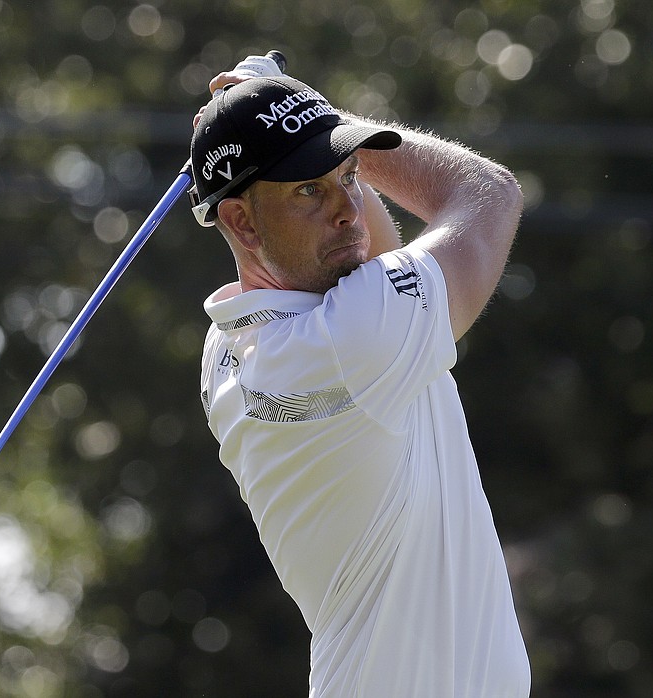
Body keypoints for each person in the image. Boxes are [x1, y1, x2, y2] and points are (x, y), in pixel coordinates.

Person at [190, 62, 530, 697]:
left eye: (348, 176)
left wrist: (304, 124)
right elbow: (490, 193)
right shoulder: (350, 344)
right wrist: (329, 117)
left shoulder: (232, 348)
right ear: (239, 222)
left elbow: (370, 254)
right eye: (308, 192)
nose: (348, 209)